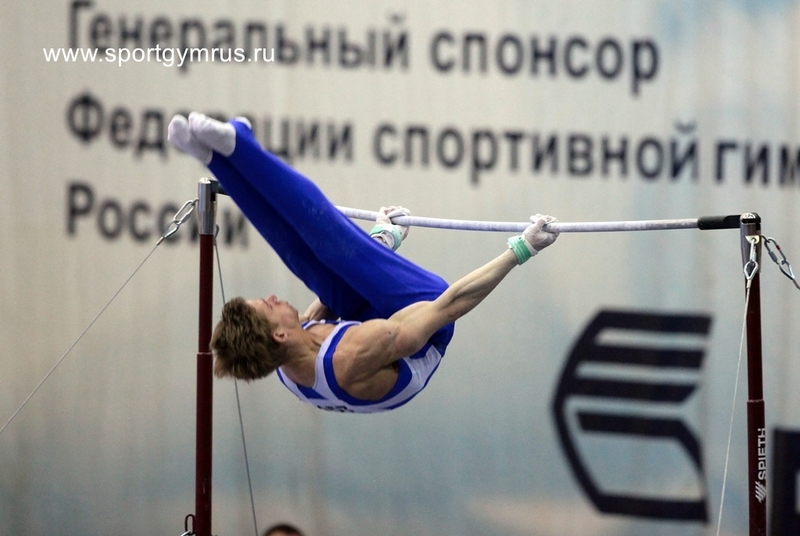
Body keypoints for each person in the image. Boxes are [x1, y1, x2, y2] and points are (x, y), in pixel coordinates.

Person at [168, 112, 558, 413]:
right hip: (423, 324)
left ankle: (213, 158)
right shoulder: (351, 355)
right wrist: (522, 249)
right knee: (330, 243)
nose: (272, 298)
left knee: (303, 255)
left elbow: (336, 289)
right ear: (280, 335)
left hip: (367, 323)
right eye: (268, 306)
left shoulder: (285, 356)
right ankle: (241, 143)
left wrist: (382, 240)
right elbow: (451, 305)